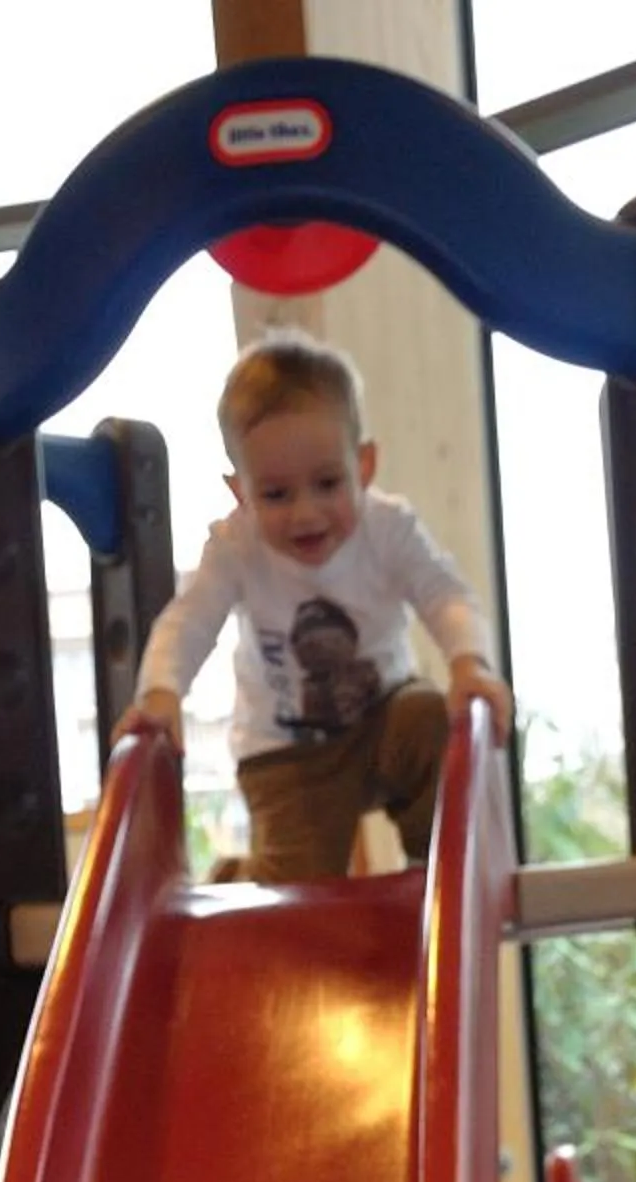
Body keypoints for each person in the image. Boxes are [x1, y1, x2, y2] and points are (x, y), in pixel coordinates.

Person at [117, 331, 512, 882]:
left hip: (383, 723)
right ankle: (239, 879)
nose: (306, 513)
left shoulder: (387, 528)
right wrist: (161, 692)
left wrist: (469, 663)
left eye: (327, 483)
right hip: (286, 753)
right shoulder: (238, 545)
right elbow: (191, 619)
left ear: (365, 465)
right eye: (276, 494)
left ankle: (438, 865)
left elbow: (445, 595)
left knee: (429, 717)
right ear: (241, 492)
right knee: (297, 894)